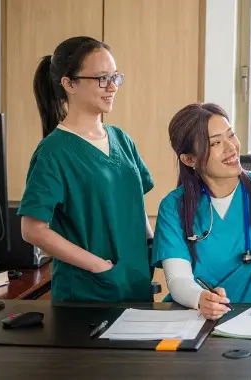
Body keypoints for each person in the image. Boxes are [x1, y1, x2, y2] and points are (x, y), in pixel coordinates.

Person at [18, 36, 155, 302]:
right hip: (88, 292)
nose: (112, 86)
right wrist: (99, 266)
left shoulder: (122, 140)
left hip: (135, 284)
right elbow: (32, 229)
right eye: (102, 78)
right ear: (69, 84)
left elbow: (135, 207)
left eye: (116, 77)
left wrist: (151, 248)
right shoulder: (54, 151)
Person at [151, 103, 251, 320]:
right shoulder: (174, 206)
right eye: (215, 143)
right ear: (189, 159)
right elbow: (178, 278)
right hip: (195, 317)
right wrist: (200, 299)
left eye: (231, 135)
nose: (231, 147)